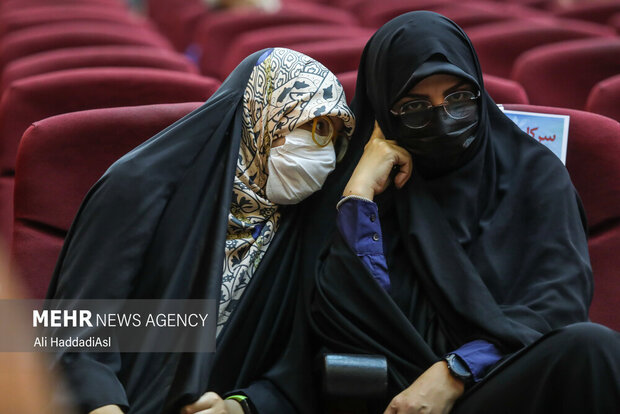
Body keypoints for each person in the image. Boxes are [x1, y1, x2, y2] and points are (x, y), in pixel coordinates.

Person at [308, 11, 620, 414]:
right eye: (415, 106)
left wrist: (458, 369)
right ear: (385, 114)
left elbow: (555, 308)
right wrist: (359, 196)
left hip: (506, 379)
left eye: (457, 98)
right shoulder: (366, 193)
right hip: (394, 396)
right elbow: (351, 322)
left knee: (591, 348)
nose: (443, 119)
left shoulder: (536, 175)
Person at [45, 47, 354, 414]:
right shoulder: (139, 186)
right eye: (316, 127)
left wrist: (240, 407)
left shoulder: (302, 220)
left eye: (335, 136)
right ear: (264, 114)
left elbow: (299, 365)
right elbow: (76, 334)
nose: (326, 155)